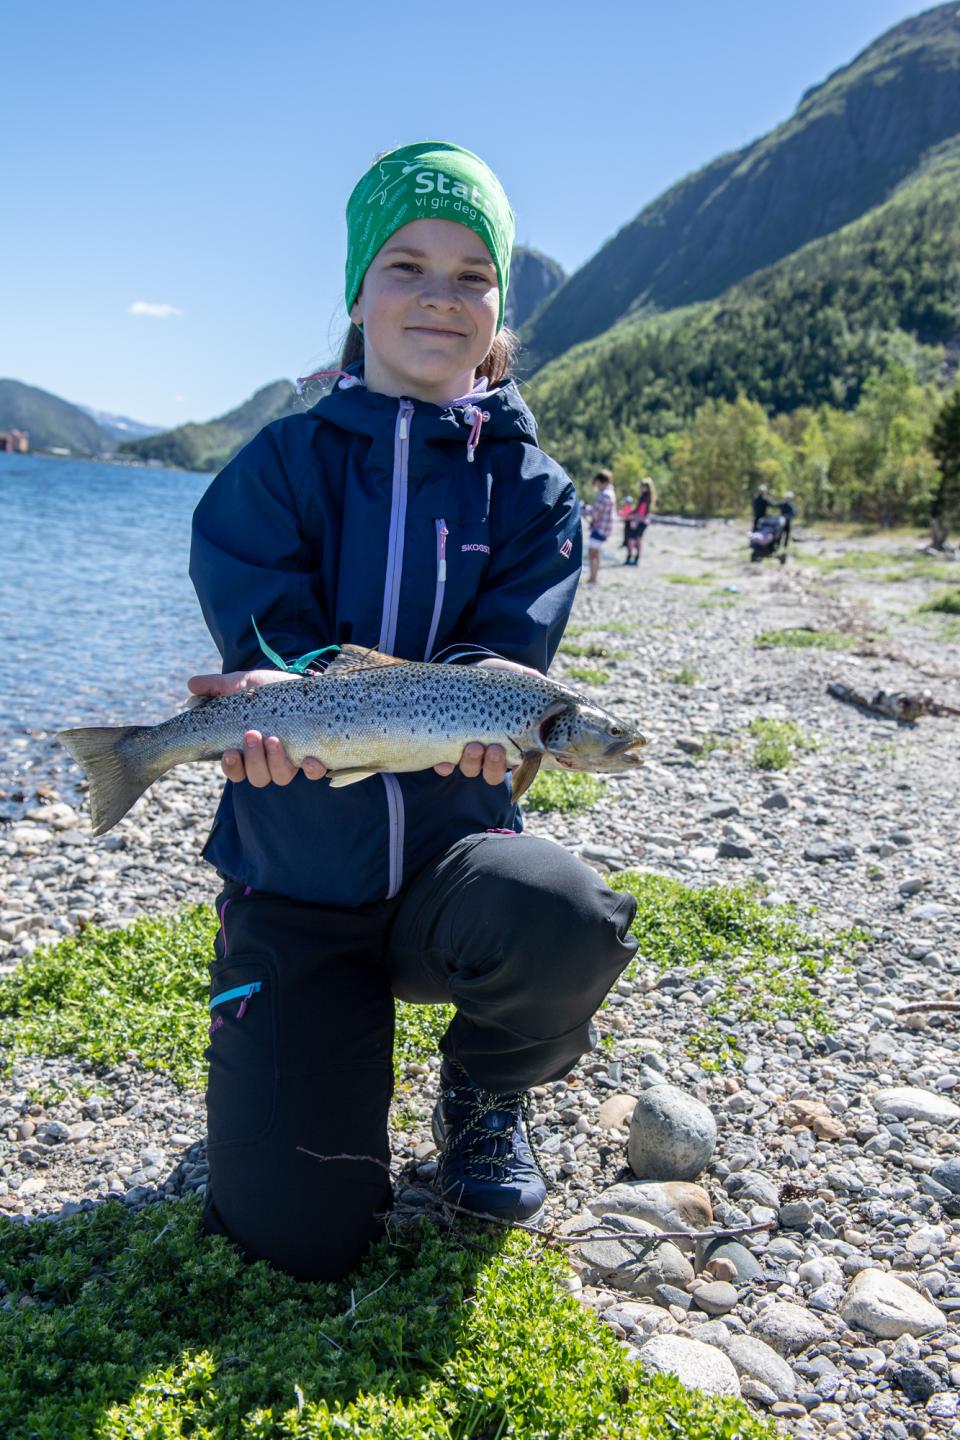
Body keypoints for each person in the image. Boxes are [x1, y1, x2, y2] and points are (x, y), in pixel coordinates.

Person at [187, 142, 638, 1284]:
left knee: (571, 912)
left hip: (452, 868)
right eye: (407, 265)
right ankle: (306, 1054)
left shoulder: (534, 492)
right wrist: (277, 690)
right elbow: (269, 634)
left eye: (472, 275)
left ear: (498, 313)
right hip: (296, 875)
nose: (440, 295)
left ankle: (484, 1090)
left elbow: (508, 651)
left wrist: (486, 693)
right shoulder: (278, 465)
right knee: (300, 1236)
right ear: (357, 293)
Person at [584, 468, 617, 584]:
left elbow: (595, 512)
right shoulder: (611, 493)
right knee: (595, 553)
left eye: (597, 483)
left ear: (601, 481)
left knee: (592, 552)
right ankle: (594, 577)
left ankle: (593, 578)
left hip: (600, 528)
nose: (596, 486)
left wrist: (584, 510)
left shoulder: (604, 495)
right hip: (604, 528)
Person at [624, 478, 655, 566]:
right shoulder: (647, 497)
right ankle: (636, 558)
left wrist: (635, 520)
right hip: (643, 521)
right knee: (638, 539)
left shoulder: (644, 498)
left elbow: (641, 511)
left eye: (643, 486)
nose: (641, 488)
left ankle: (630, 557)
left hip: (640, 520)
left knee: (632, 539)